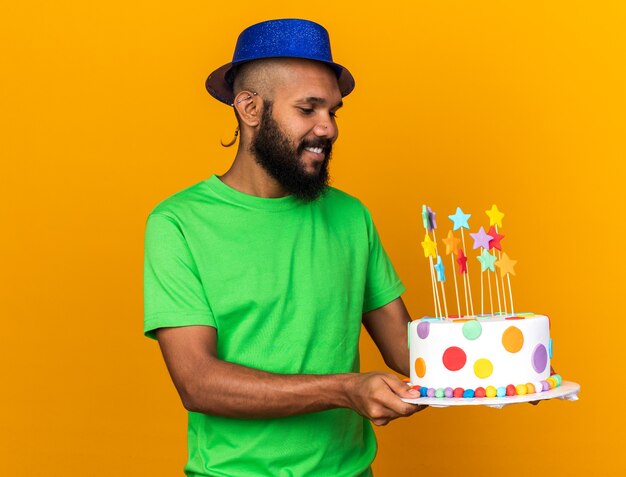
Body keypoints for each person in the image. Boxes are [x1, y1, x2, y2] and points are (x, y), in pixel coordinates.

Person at [144, 18, 425, 477]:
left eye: (333, 111)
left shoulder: (351, 216)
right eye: (309, 109)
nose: (328, 128)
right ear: (250, 108)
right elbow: (197, 383)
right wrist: (345, 389)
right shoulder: (178, 223)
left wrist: (500, 369)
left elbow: (409, 353)